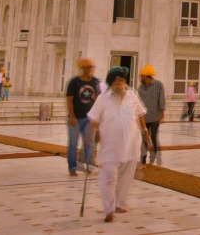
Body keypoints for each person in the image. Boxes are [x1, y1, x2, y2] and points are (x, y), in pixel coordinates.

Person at [88, 66, 151, 223]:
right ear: (111, 83)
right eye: (116, 81)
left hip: (130, 144)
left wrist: (145, 132)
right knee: (109, 176)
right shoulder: (103, 98)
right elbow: (94, 119)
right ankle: (109, 209)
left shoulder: (131, 96)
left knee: (126, 175)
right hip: (110, 145)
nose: (119, 84)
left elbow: (140, 114)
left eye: (122, 81)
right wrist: (93, 133)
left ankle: (119, 203)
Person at [65, 58, 100, 177]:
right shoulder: (74, 82)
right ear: (82, 68)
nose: (89, 70)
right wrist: (72, 117)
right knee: (73, 144)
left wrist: (97, 118)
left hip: (89, 119)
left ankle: (89, 166)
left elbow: (99, 100)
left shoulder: (95, 82)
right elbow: (69, 101)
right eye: (87, 67)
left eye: (91, 67)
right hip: (76, 118)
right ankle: (72, 167)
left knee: (89, 143)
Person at [137, 64, 165, 166]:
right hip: (143, 118)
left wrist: (162, 113)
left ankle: (153, 156)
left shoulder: (158, 85)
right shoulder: (140, 87)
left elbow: (161, 99)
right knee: (144, 137)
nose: (140, 77)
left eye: (141, 76)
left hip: (154, 117)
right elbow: (138, 101)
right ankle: (143, 158)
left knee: (153, 137)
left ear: (146, 76)